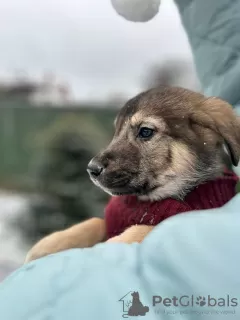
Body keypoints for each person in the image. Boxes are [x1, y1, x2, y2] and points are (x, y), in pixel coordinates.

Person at [1, 1, 240, 319]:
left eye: (144, 133)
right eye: (118, 133)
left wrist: (145, 236)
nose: (100, 161)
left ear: (206, 132)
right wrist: (94, 231)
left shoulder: (221, 208)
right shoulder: (131, 203)